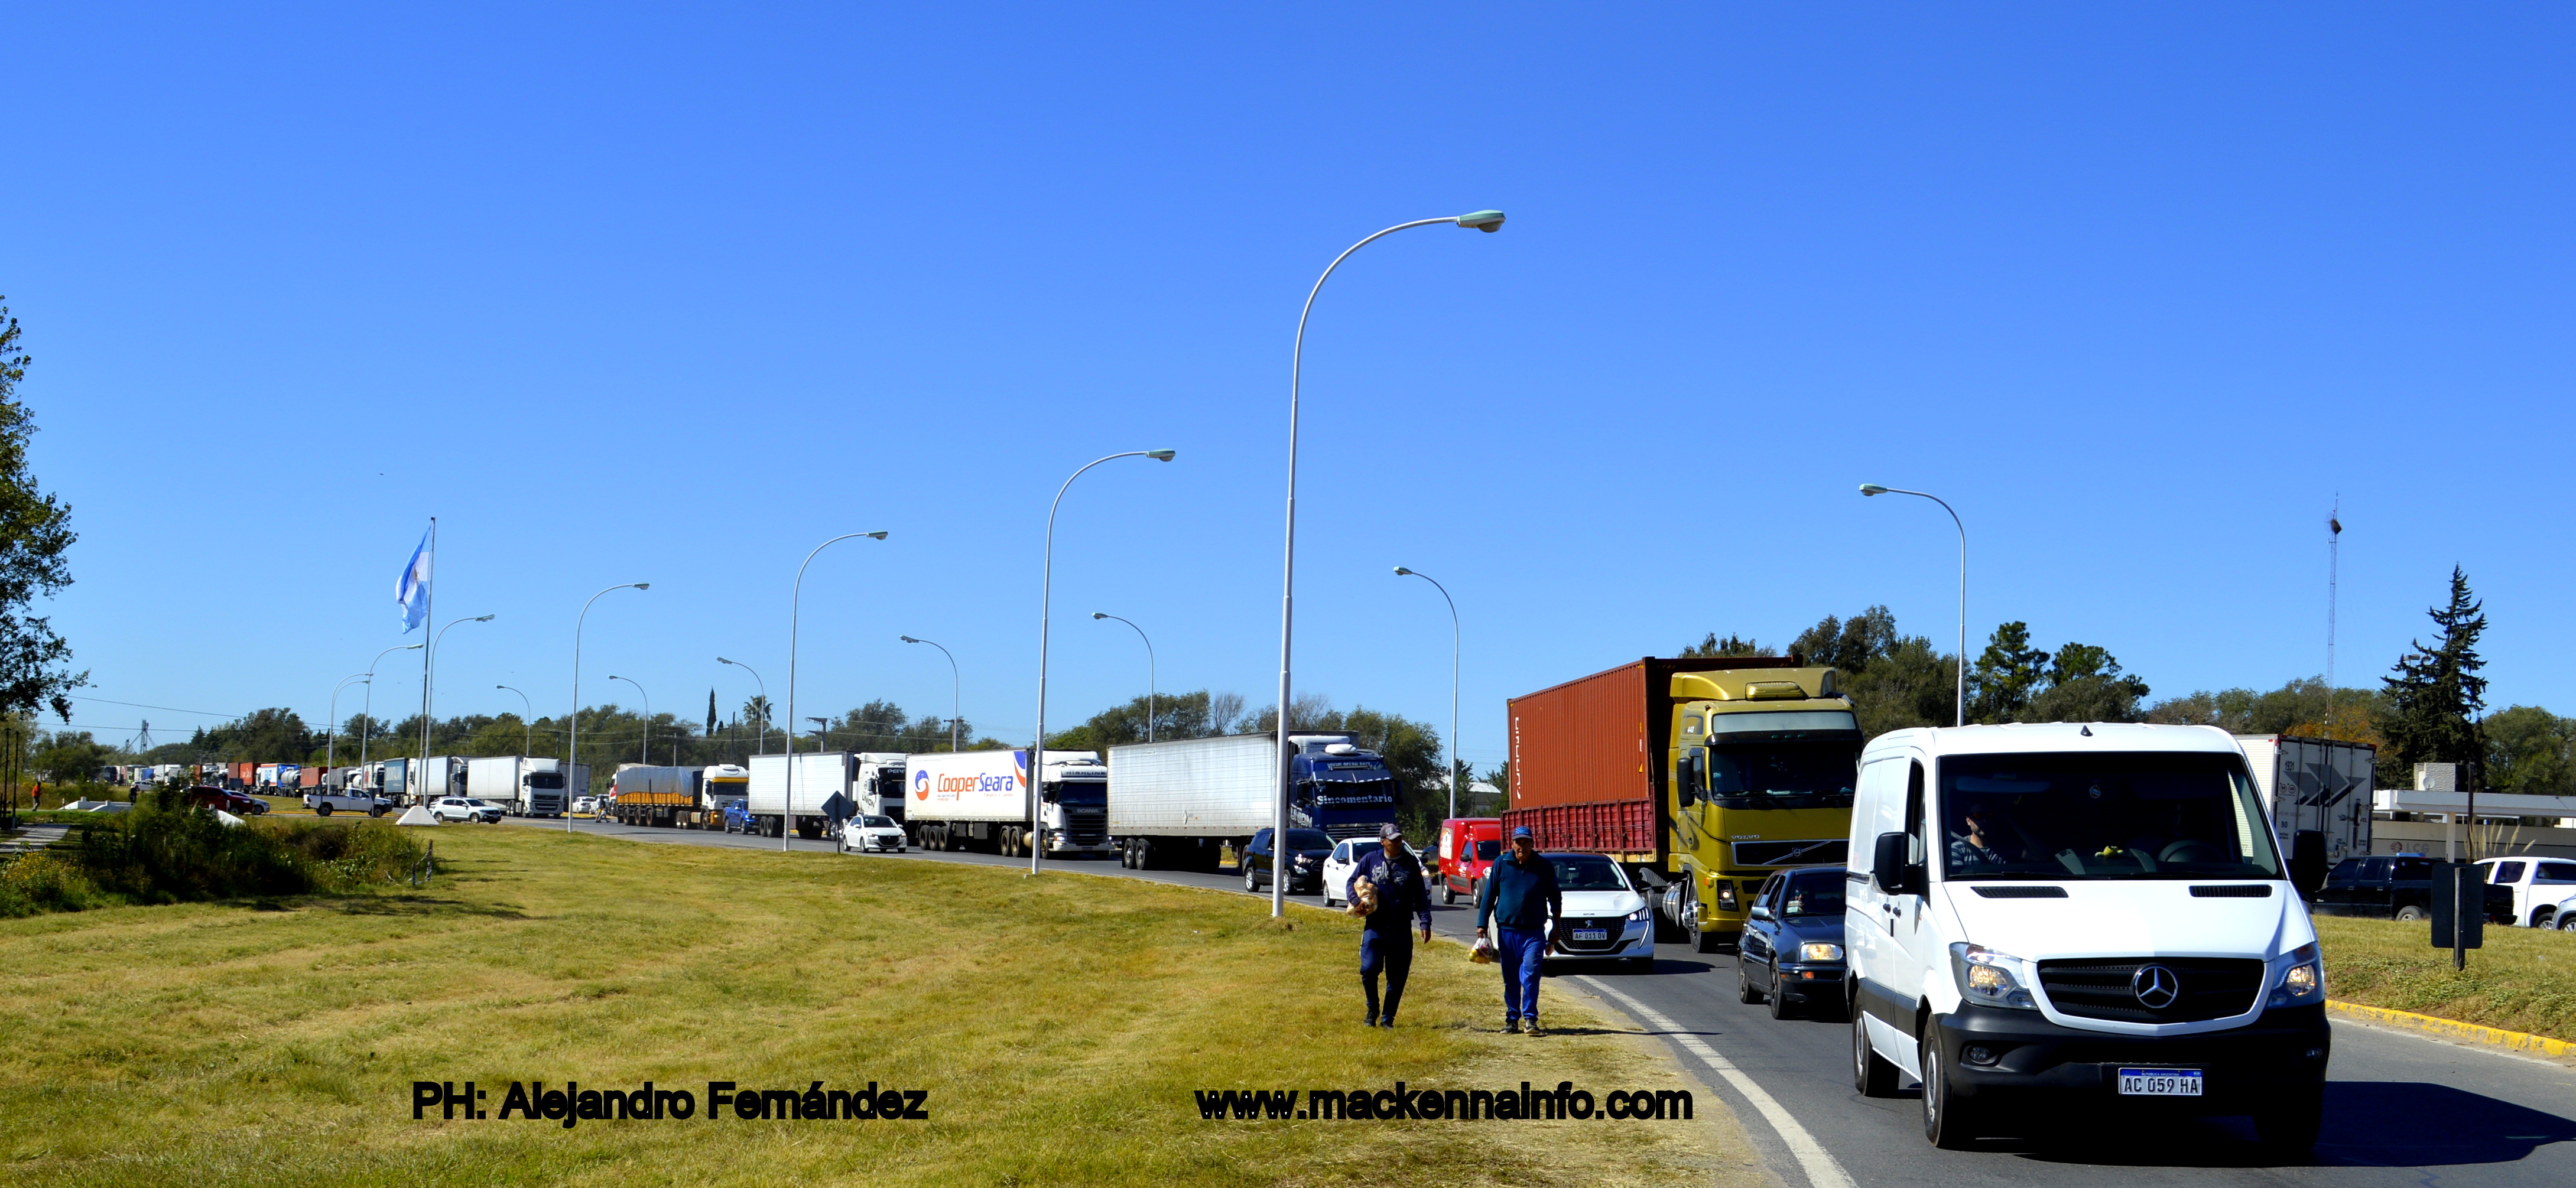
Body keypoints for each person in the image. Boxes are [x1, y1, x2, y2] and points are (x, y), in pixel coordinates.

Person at [1475, 825, 1562, 1036]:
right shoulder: (1501, 864)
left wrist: (1557, 927)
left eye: (1526, 842)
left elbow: (1555, 898)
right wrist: (1482, 924)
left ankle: (1530, 1019)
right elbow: (1489, 895)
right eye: (1518, 842)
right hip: (1507, 932)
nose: (1522, 846)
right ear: (1512, 844)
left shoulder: (1544, 867)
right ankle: (1512, 1020)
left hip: (1533, 933)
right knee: (1511, 978)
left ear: (1533, 844)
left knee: (1531, 973)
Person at [1347, 822, 1432, 1028]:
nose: (1397, 843)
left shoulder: (1410, 863)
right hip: (1375, 926)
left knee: (1397, 977)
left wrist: (1425, 922)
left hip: (1401, 928)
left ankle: (1388, 1019)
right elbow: (1352, 882)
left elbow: (1421, 895)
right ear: (1383, 842)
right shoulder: (1371, 859)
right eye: (1393, 840)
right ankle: (1373, 1008)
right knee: (1368, 970)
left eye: (1399, 839)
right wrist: (1356, 901)